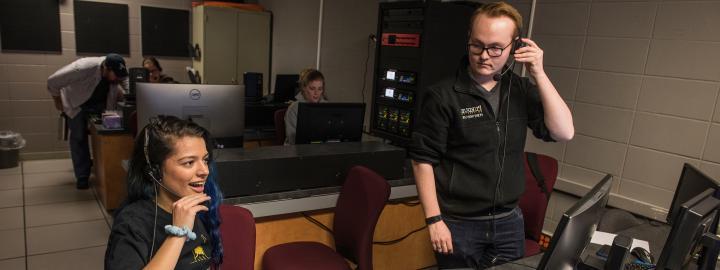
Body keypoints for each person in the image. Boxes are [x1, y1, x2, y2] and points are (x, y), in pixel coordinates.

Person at [408, 2, 574, 269]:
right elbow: (422, 160)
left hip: (509, 222)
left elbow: (564, 131)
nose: (485, 55)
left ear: (514, 47)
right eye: (477, 45)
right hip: (460, 224)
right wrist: (434, 221)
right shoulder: (443, 96)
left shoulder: (519, 90)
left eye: (496, 47)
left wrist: (539, 74)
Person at [105, 115, 224, 269]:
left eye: (205, 160)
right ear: (155, 170)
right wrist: (179, 233)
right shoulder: (132, 223)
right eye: (189, 162)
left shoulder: (194, 207)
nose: (205, 171)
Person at [47, 53, 129, 189]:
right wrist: (57, 100)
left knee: (105, 134)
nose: (118, 79)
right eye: (115, 75)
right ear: (105, 68)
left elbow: (126, 83)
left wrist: (131, 96)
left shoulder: (118, 70)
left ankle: (101, 169)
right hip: (77, 103)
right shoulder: (83, 67)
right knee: (79, 137)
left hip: (100, 103)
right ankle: (82, 176)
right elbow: (52, 81)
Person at [283, 68, 328, 145]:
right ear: (304, 88)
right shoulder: (293, 109)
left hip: (320, 149)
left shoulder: (327, 107)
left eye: (320, 89)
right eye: (312, 88)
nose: (316, 93)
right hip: (296, 151)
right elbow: (293, 140)